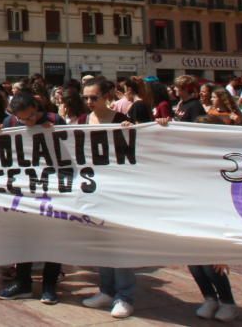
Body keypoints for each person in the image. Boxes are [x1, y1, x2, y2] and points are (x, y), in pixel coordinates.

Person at [0, 91, 64, 304]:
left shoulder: (54, 120)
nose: (29, 121)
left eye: (32, 116)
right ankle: (22, 282)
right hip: (23, 191)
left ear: (37, 106)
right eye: (24, 119)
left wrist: (56, 133)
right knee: (22, 237)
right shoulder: (10, 122)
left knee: (53, 238)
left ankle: (49, 286)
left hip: (51, 190)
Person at [77, 77, 135, 319]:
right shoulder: (82, 120)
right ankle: (106, 290)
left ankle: (125, 296)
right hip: (93, 189)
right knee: (101, 242)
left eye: (94, 97)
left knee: (120, 244)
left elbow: (134, 152)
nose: (89, 102)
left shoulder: (122, 121)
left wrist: (133, 132)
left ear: (107, 96)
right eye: (86, 98)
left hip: (118, 190)